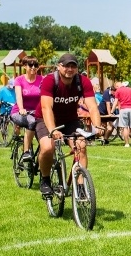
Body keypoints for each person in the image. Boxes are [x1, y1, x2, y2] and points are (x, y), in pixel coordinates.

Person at [37, 53, 102, 197]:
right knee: (47, 147)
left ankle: (79, 187)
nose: (70, 69)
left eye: (73, 66)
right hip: (45, 118)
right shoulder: (50, 80)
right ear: (59, 67)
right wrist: (52, 130)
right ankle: (45, 180)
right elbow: (46, 108)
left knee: (81, 146)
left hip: (70, 120)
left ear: (77, 68)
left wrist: (97, 126)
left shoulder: (82, 82)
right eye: (66, 66)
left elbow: (92, 106)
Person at [10, 57, 43, 160]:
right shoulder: (19, 80)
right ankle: (26, 152)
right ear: (25, 66)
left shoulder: (42, 79)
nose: (33, 67)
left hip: (36, 113)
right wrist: (21, 108)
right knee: (31, 121)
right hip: (19, 112)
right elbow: (19, 96)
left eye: (36, 65)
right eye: (30, 65)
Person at [112, 81, 131, 147]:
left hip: (123, 109)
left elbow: (115, 102)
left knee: (125, 127)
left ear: (117, 86)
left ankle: (127, 143)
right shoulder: (130, 89)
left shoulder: (118, 91)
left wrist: (112, 111)